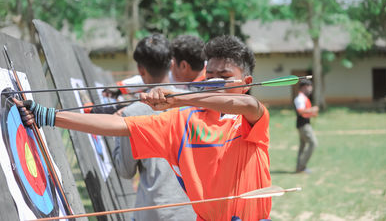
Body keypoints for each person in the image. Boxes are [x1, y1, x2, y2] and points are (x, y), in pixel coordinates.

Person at [15, 35, 272, 221]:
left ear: (246, 82)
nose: (215, 81)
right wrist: (51, 116)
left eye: (225, 76)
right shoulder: (182, 121)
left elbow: (246, 104)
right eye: (210, 76)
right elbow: (119, 125)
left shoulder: (250, 118)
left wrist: (177, 97)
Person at [113, 34, 196, 221]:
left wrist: (114, 127)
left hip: (154, 212)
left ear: (141, 69)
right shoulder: (195, 102)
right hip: (194, 211)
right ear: (172, 64)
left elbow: (125, 170)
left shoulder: (133, 112)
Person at [293, 79, 319, 173]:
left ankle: (299, 167)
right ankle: (301, 166)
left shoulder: (303, 98)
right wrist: (313, 109)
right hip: (303, 125)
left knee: (303, 146)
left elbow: (305, 112)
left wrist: (312, 114)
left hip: (304, 124)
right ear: (304, 87)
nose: (311, 89)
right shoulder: (300, 98)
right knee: (313, 143)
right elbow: (301, 111)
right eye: (309, 86)